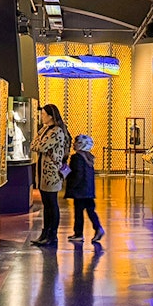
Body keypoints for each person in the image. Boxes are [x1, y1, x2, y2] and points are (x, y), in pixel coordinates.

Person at [30, 103, 71, 246]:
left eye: (43, 114)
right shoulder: (45, 130)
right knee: (46, 204)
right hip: (43, 175)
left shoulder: (56, 131)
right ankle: (45, 232)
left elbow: (39, 146)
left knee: (51, 204)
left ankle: (52, 234)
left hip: (51, 174)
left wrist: (38, 140)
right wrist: (39, 138)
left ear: (50, 116)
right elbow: (33, 145)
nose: (41, 116)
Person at [64, 134, 104, 243]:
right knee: (90, 210)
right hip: (88, 190)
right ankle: (98, 228)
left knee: (78, 212)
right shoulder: (89, 157)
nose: (74, 144)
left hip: (79, 190)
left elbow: (76, 173)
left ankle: (78, 233)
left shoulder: (76, 157)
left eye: (76, 142)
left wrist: (66, 176)